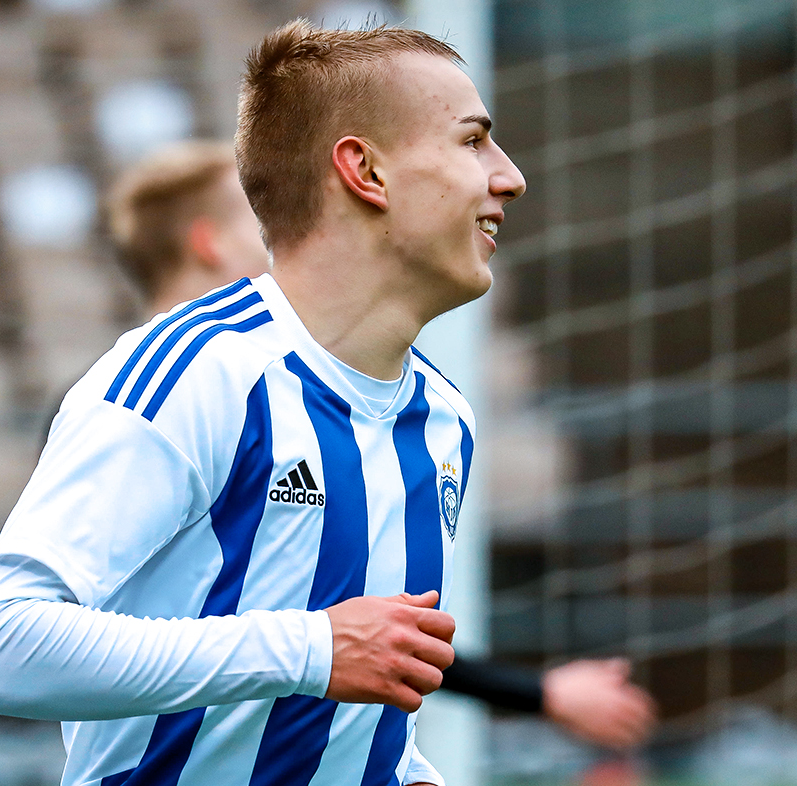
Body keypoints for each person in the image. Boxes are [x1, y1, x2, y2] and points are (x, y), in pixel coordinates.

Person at [0, 22, 521, 786]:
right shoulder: (192, 376)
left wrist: (408, 777)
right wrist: (306, 651)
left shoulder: (442, 421)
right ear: (366, 169)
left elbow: (341, 644)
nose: (509, 177)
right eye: (475, 140)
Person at [106, 139, 657, 751]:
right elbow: (48, 635)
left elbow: (350, 628)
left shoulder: (297, 391)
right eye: (262, 222)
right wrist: (537, 695)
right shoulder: (139, 405)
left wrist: (413, 775)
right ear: (210, 242)